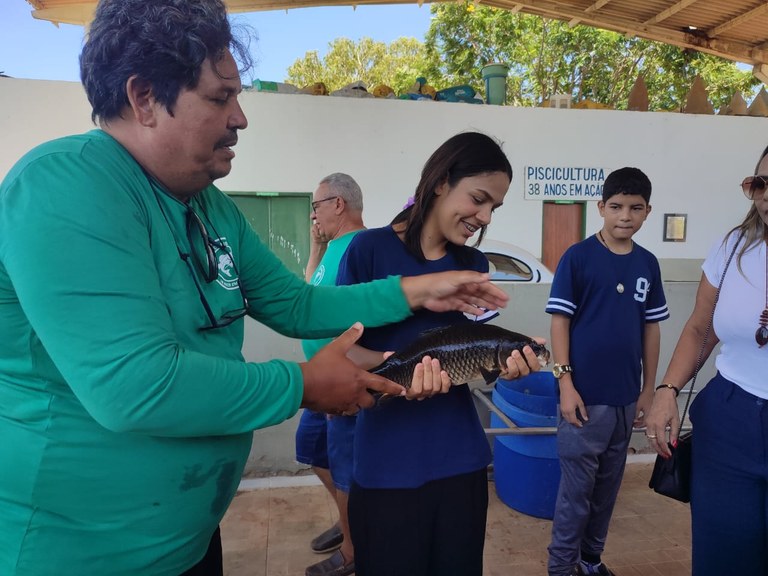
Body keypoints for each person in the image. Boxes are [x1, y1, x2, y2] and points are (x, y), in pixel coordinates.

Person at [0, 2, 513, 575]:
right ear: (144, 97)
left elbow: (297, 304)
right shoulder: (64, 185)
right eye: (220, 98)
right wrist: (302, 385)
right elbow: (134, 385)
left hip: (187, 540)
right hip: (79, 554)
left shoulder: (210, 206)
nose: (240, 117)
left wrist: (417, 291)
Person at [338, 131, 544, 576]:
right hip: (385, 464)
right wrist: (397, 377)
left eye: (494, 208)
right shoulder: (368, 250)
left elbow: (473, 354)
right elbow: (341, 355)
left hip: (459, 460)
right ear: (440, 182)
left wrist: (503, 365)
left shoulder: (474, 265)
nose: (484, 216)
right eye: (478, 198)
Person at [645, 146, 768, 575]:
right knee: (723, 558)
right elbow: (702, 327)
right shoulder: (733, 247)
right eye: (761, 184)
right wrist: (666, 390)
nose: (767, 195)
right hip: (731, 420)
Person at [545, 167, 669, 576]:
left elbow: (651, 328)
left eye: (635, 208)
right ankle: (562, 568)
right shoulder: (577, 258)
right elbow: (559, 324)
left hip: (624, 398)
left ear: (648, 212)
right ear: (600, 207)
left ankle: (591, 561)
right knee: (576, 495)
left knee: (606, 492)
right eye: (615, 207)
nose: (624, 216)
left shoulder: (648, 264)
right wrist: (565, 383)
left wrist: (648, 389)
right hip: (583, 400)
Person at [295, 173, 367, 576]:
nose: (313, 215)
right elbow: (311, 297)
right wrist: (315, 247)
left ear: (338, 204)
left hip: (343, 385)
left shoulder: (361, 247)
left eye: (316, 206)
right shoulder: (332, 250)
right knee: (311, 452)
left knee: (345, 471)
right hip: (319, 382)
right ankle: (348, 521)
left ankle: (354, 552)